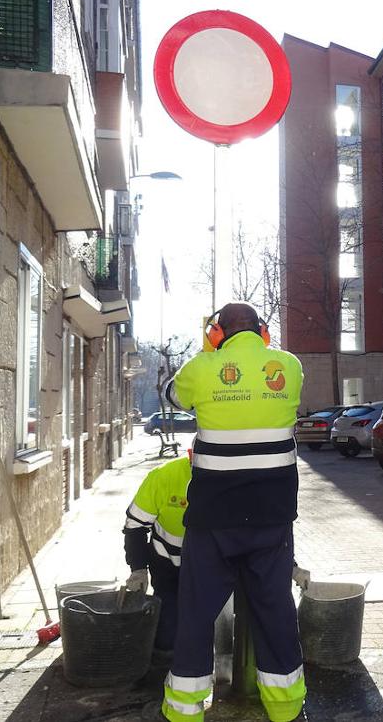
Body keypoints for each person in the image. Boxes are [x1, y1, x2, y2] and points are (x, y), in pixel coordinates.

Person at [160, 303, 307, 722]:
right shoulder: (289, 366)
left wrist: (207, 353)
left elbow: (172, 394)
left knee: (196, 613)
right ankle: (284, 706)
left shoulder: (202, 367)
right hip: (271, 516)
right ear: (262, 331)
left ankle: (185, 710)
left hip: (213, 519)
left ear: (217, 334)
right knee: (275, 607)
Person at [121, 454, 192, 656]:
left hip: (212, 571)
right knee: (166, 638)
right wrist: (138, 569)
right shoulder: (163, 476)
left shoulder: (229, 478)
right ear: (190, 456)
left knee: (209, 633)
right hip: (168, 566)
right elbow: (135, 526)